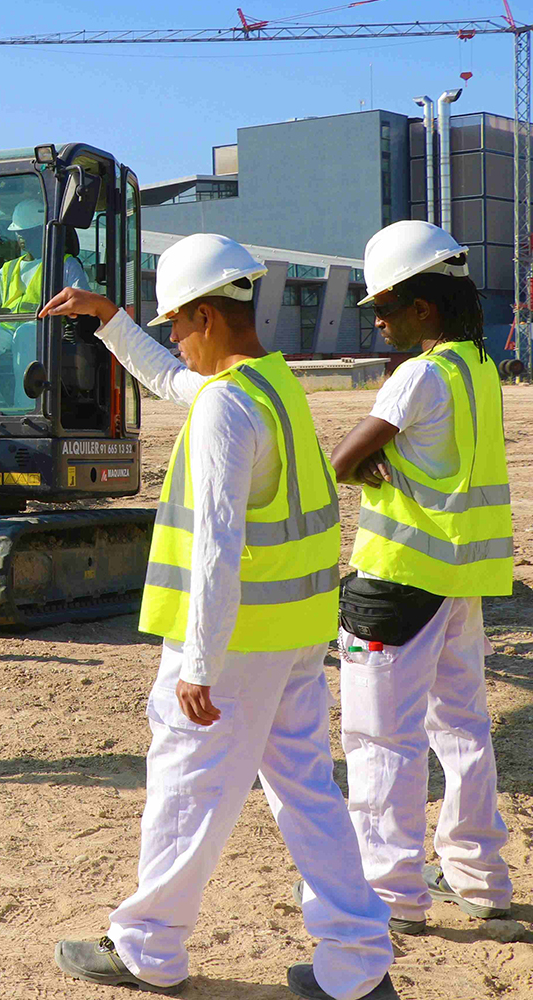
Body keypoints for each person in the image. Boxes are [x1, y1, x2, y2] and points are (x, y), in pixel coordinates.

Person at [38, 233, 397, 1000]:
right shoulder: (271, 385)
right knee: (308, 798)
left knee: (183, 787)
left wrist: (197, 664)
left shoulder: (226, 410)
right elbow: (176, 380)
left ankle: (147, 950)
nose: (173, 340)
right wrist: (111, 321)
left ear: (205, 314)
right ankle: (358, 964)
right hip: (295, 637)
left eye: (176, 324)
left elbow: (215, 548)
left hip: (232, 650)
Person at [327, 220, 515, 934]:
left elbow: (341, 462)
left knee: (381, 743)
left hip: (396, 585)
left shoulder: (420, 375)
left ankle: (391, 893)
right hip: (459, 582)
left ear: (423, 309)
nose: (377, 319)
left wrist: (362, 466)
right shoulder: (477, 371)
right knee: (463, 728)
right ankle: (478, 877)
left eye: (386, 306)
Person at [0, 199, 91, 406]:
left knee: (25, 334)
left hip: (47, 329)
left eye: (26, 232)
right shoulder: (8, 269)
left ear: (42, 231)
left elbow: (82, 299)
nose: (20, 236)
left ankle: (26, 406)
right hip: (7, 330)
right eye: (19, 232)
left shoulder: (65, 264)